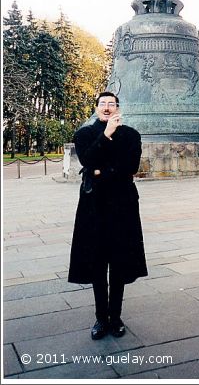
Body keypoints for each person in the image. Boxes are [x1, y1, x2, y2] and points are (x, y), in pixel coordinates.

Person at [68, 91, 148, 340]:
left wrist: (102, 171)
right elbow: (88, 159)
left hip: (122, 206)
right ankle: (101, 318)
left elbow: (131, 167)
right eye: (102, 103)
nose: (106, 107)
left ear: (117, 109)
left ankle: (116, 316)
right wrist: (105, 136)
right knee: (97, 263)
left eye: (111, 104)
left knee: (119, 262)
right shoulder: (84, 134)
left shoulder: (131, 135)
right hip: (94, 207)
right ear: (96, 107)